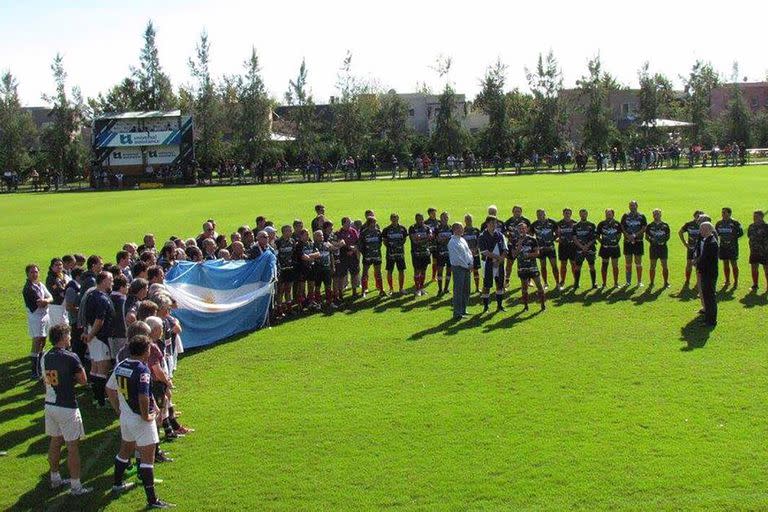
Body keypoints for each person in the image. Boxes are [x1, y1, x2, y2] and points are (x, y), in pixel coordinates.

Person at [106, 335, 174, 508]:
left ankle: (117, 484)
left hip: (126, 418)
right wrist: (147, 415)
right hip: (141, 420)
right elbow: (143, 396)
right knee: (147, 459)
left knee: (125, 450)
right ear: (146, 351)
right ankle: (153, 500)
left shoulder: (121, 365)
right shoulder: (142, 370)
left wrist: (118, 409)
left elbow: (109, 388)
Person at [41, 324, 92, 495]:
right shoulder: (71, 357)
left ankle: (55, 478)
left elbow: (45, 380)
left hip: (50, 404)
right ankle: (76, 486)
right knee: (72, 447)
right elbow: (84, 380)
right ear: (63, 337)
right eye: (68, 335)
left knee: (55, 441)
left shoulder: (45, 355)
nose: (70, 338)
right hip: (67, 406)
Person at [82, 271, 115, 408]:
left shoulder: (91, 295)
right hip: (100, 337)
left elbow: (86, 317)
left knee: (95, 367)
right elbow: (99, 320)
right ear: (103, 281)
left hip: (93, 335)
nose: (112, 281)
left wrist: (88, 333)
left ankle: (96, 398)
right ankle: (101, 401)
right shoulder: (101, 298)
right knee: (102, 367)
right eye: (110, 279)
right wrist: (91, 335)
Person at [23, 264, 52, 379]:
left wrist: (46, 300)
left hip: (44, 316)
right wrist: (46, 301)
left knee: (43, 340)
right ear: (27, 274)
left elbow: (50, 297)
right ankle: (34, 371)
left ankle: (40, 366)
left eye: (36, 272)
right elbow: (40, 304)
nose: (34, 274)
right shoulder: (28, 288)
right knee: (37, 341)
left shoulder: (40, 284)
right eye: (32, 272)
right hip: (36, 317)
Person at [513, 223, 546, 310]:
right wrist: (519, 246)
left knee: (539, 285)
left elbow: (537, 253)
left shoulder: (532, 239)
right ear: (517, 230)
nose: (521, 230)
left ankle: (543, 304)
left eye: (523, 228)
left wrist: (528, 255)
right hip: (522, 268)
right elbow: (513, 255)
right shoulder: (514, 240)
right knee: (524, 287)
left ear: (526, 229)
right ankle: (526, 306)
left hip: (533, 267)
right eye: (520, 229)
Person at [478, 216, 507, 312]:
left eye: (495, 223)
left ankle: (500, 306)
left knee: (500, 284)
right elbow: (484, 252)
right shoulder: (482, 236)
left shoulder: (500, 235)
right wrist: (498, 258)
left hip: (499, 264)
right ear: (487, 224)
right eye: (491, 223)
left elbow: (505, 249)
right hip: (487, 264)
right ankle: (486, 307)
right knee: (486, 286)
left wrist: (499, 261)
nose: (493, 225)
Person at [447, 223, 473, 319]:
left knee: (466, 289)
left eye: (462, 228)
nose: (462, 230)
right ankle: (457, 312)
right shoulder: (452, 242)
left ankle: (463, 309)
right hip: (459, 268)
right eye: (460, 228)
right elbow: (457, 258)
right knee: (458, 290)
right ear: (455, 230)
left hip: (466, 267)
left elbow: (468, 253)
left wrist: (471, 263)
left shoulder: (462, 239)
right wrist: (467, 265)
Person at [620, 200, 648, 287]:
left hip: (638, 242)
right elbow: (622, 227)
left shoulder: (642, 216)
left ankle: (639, 282)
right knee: (628, 262)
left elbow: (644, 228)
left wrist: (635, 235)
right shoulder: (625, 216)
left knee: (638, 262)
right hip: (627, 242)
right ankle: (628, 281)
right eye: (630, 205)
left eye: (633, 205)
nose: (632, 207)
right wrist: (628, 236)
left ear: (637, 206)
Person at [531, 209, 560, 290]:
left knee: (554, 266)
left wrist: (552, 240)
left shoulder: (552, 222)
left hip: (550, 248)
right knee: (543, 266)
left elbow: (558, 233)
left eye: (541, 214)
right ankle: (545, 283)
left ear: (545, 214)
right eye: (538, 215)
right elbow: (530, 235)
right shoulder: (534, 224)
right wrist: (536, 244)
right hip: (541, 249)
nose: (540, 216)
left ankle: (557, 283)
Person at [715, 207, 744, 288]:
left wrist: (733, 238)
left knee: (734, 264)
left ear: (729, 213)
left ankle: (736, 281)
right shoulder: (719, 223)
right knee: (725, 264)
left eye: (724, 212)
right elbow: (716, 233)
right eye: (722, 212)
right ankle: (727, 281)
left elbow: (741, 233)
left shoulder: (735, 223)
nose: (722, 214)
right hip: (723, 247)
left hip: (732, 247)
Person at [697, 222, 719, 327]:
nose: (701, 231)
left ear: (709, 230)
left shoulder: (711, 242)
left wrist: (697, 263)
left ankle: (711, 321)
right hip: (707, 273)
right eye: (701, 229)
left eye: (703, 229)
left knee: (710, 298)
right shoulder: (708, 240)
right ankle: (708, 319)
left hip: (709, 274)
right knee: (707, 297)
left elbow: (705, 259)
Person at [503, 206, 531, 289]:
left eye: (519, 211)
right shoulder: (508, 221)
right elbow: (505, 232)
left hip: (524, 245)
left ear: (521, 212)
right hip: (512, 245)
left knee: (526, 263)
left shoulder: (526, 221)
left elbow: (530, 231)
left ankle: (528, 280)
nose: (517, 213)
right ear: (512, 212)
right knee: (509, 264)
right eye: (515, 211)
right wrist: (509, 235)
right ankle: (507, 280)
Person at [381, 213, 408, 294]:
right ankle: (391, 289)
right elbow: (385, 241)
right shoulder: (386, 229)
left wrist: (398, 246)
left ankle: (401, 288)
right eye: (393, 219)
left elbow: (404, 240)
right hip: (390, 254)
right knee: (390, 271)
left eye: (396, 218)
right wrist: (391, 247)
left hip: (400, 254)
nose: (394, 220)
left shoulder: (403, 228)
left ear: (398, 219)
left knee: (401, 271)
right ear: (391, 219)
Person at [358, 216, 384, 297]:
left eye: (375, 223)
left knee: (378, 272)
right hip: (367, 256)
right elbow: (360, 245)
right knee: (365, 273)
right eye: (373, 223)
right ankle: (363, 291)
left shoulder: (378, 232)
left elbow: (380, 243)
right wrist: (365, 253)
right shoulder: (364, 233)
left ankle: (381, 290)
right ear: (369, 223)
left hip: (377, 255)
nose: (374, 225)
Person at [596, 209, 622, 287]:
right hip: (605, 248)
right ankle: (604, 284)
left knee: (615, 266)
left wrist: (616, 241)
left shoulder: (617, 224)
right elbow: (597, 236)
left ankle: (616, 283)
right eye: (607, 214)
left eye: (610, 214)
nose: (608, 215)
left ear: (613, 214)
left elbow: (619, 234)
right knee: (604, 265)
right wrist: (602, 243)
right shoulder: (601, 224)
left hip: (614, 248)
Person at [572, 209, 597, 289]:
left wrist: (587, 246)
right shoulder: (575, 226)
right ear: (579, 215)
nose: (583, 215)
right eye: (582, 214)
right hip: (579, 249)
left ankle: (594, 284)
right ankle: (576, 283)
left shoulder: (592, 225)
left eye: (584, 214)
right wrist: (582, 247)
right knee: (578, 267)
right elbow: (574, 238)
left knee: (592, 266)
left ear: (587, 214)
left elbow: (594, 238)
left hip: (590, 249)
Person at [646, 208, 671, 288]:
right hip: (653, 248)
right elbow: (646, 237)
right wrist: (652, 241)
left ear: (661, 214)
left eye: (658, 213)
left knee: (664, 265)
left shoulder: (665, 225)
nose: (656, 215)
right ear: (653, 215)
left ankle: (666, 282)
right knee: (652, 266)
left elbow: (668, 236)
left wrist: (663, 241)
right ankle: (652, 282)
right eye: (655, 214)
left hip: (663, 248)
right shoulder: (650, 226)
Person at [678, 210, 703, 288]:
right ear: (694, 216)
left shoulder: (704, 225)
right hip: (691, 248)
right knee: (689, 264)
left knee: (699, 265)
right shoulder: (689, 224)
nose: (698, 218)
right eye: (697, 216)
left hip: (700, 249)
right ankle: (687, 280)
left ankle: (698, 282)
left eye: (700, 216)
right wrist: (685, 243)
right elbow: (680, 232)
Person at [409, 213, 432, 296]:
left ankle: (421, 288)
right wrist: (424, 239)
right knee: (417, 271)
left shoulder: (427, 228)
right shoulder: (412, 228)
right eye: (418, 219)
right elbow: (414, 240)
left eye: (421, 219)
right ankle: (417, 289)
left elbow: (430, 238)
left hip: (425, 253)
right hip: (416, 253)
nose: (420, 221)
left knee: (423, 271)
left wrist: (420, 239)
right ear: (415, 219)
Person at [275, 225, 296, 316]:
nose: (290, 232)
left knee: (288, 289)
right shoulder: (278, 242)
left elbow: (294, 254)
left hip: (290, 269)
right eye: (288, 231)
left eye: (290, 231)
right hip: (282, 270)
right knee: (281, 290)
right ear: (283, 232)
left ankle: (289, 307)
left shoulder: (292, 241)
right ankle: (279, 309)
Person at [747, 210, 768, 291]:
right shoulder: (751, 226)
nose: (754, 218)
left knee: (766, 269)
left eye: (756, 216)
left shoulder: (766, 227)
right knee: (754, 269)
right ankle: (755, 285)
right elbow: (750, 236)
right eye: (754, 216)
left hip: (765, 252)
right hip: (754, 251)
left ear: (761, 217)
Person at [46, 258, 70, 327]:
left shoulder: (64, 275)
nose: (59, 266)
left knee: (65, 326)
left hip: (64, 305)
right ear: (52, 267)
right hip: (56, 306)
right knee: (58, 327)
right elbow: (59, 290)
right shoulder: (51, 278)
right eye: (56, 265)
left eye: (60, 264)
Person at [556, 208, 577, 290]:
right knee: (563, 264)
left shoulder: (575, 223)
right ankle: (563, 281)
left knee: (573, 264)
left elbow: (577, 235)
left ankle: (576, 280)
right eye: (566, 213)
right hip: (563, 247)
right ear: (563, 214)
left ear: (571, 214)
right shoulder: (559, 223)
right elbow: (556, 235)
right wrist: (557, 239)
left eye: (568, 213)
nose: (567, 214)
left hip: (572, 247)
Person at [462, 214, 482, 293]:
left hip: (475, 254)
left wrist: (476, 249)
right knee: (467, 272)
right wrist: (469, 250)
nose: (468, 221)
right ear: (465, 221)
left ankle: (477, 288)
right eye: (467, 219)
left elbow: (479, 241)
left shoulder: (476, 230)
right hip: (466, 255)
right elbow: (462, 243)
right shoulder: (463, 231)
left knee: (476, 271)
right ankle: (466, 289)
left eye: (469, 219)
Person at [434, 212, 453, 295]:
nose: (445, 219)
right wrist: (446, 240)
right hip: (440, 253)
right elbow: (437, 240)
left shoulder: (451, 228)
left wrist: (444, 239)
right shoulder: (437, 229)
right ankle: (440, 289)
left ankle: (446, 288)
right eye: (443, 218)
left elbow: (452, 240)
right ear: (440, 219)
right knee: (440, 271)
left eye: (446, 218)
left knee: (449, 271)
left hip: (450, 254)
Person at [425, 208, 439, 281]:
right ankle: (422, 276)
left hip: (436, 245)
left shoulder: (439, 222)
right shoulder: (425, 223)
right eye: (433, 213)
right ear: (429, 214)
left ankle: (433, 277)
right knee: (426, 262)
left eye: (435, 213)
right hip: (428, 245)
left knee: (435, 261)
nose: (434, 214)